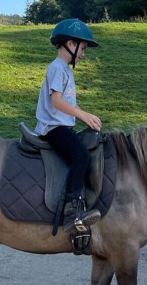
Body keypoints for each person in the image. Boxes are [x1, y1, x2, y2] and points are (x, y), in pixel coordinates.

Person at [35, 18, 103, 233]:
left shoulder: (65, 70)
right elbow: (56, 101)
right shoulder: (57, 68)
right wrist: (83, 115)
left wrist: (86, 116)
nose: (83, 53)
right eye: (82, 48)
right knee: (80, 155)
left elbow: (68, 102)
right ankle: (71, 211)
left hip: (62, 125)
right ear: (70, 44)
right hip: (53, 127)